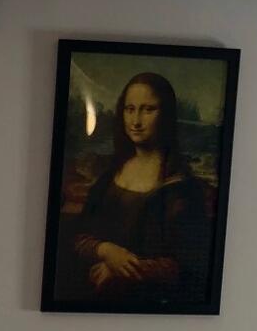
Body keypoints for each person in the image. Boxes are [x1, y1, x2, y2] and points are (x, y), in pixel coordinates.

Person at [64, 71, 212, 307]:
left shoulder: (182, 188)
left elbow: (188, 267)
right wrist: (105, 250)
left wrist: (124, 269)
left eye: (148, 109)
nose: (136, 121)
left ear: (166, 115)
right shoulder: (110, 175)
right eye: (130, 109)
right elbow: (79, 236)